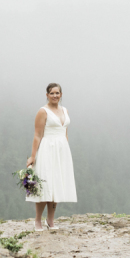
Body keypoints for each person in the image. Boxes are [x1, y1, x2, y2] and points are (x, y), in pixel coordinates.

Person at [26, 83, 77, 231]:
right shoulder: (43, 111)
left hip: (61, 151)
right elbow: (37, 135)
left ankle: (50, 220)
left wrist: (65, 150)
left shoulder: (65, 110)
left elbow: (65, 132)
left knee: (57, 184)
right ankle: (37, 221)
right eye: (52, 93)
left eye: (57, 93)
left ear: (61, 94)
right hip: (47, 149)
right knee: (45, 184)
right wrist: (33, 156)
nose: (55, 96)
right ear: (47, 95)